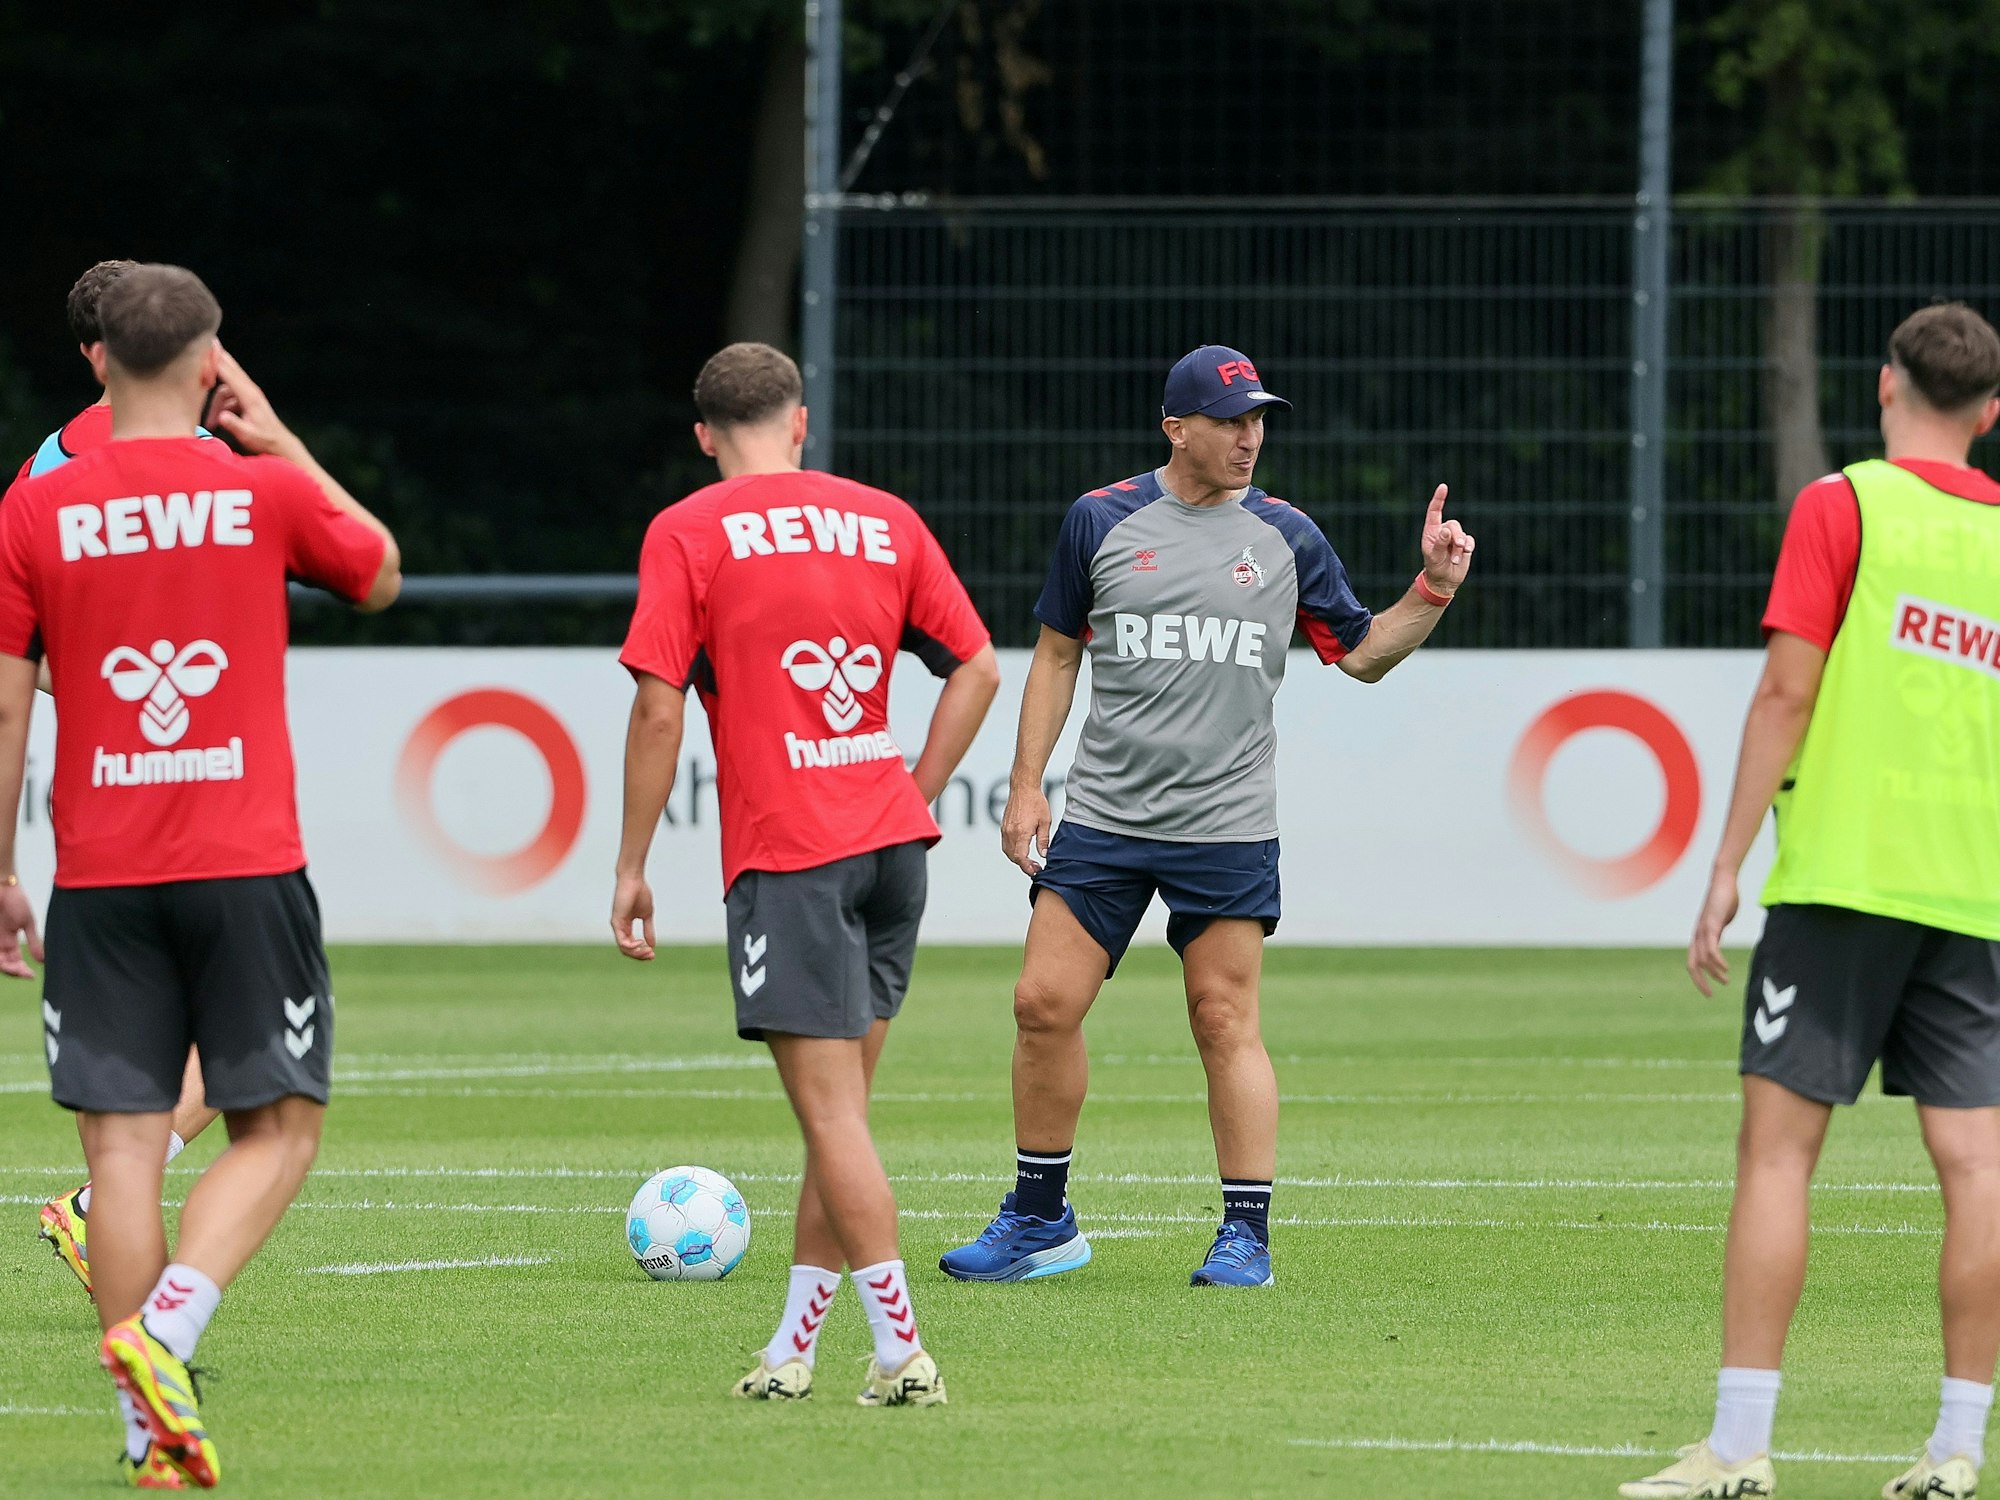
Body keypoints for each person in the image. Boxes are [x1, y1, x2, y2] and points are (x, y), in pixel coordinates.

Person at [939, 345, 1474, 1289]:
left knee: (1223, 1019)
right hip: (1104, 815)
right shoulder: (1099, 519)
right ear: (1175, 428)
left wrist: (1430, 589)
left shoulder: (1286, 536)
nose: (1250, 436)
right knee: (1040, 1005)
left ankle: (1245, 1236)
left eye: (1259, 418)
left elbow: (1360, 655)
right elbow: (1057, 655)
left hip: (1226, 823)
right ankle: (1039, 1219)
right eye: (1230, 420)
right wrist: (1028, 783)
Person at [0, 263, 400, 1489]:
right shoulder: (257, 490)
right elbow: (378, 572)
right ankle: (166, 1334)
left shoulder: (33, 511)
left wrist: (0, 869)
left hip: (100, 869)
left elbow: (9, 696)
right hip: (242, 860)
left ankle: (144, 1440)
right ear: (212, 363)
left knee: (119, 1154)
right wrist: (277, 436)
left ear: (98, 361)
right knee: (278, 1127)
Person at [1622, 302, 2000, 1500]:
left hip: (1839, 877)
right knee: (1978, 1169)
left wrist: (1726, 862)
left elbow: (1785, 695)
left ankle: (1737, 1448)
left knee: (1777, 1158)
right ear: (1988, 415)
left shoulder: (1840, 506)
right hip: (1973, 891)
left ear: (1884, 386)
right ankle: (1955, 1452)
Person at [613, 341, 998, 1407]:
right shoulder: (882, 517)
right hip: (887, 846)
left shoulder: (688, 530)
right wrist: (914, 788)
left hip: (793, 855)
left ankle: (899, 1350)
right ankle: (791, 1349)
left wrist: (631, 863)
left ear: (702, 437)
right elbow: (976, 665)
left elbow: (657, 706)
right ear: (800, 422)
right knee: (844, 1123)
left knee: (830, 1121)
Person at [17, 260, 225, 1301]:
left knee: (159, 1062)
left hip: (101, 797)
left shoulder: (42, 469)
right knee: (241, 1057)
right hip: (204, 790)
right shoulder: (211, 455)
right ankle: (112, 1238)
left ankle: (113, 1250)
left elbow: (26, 655)